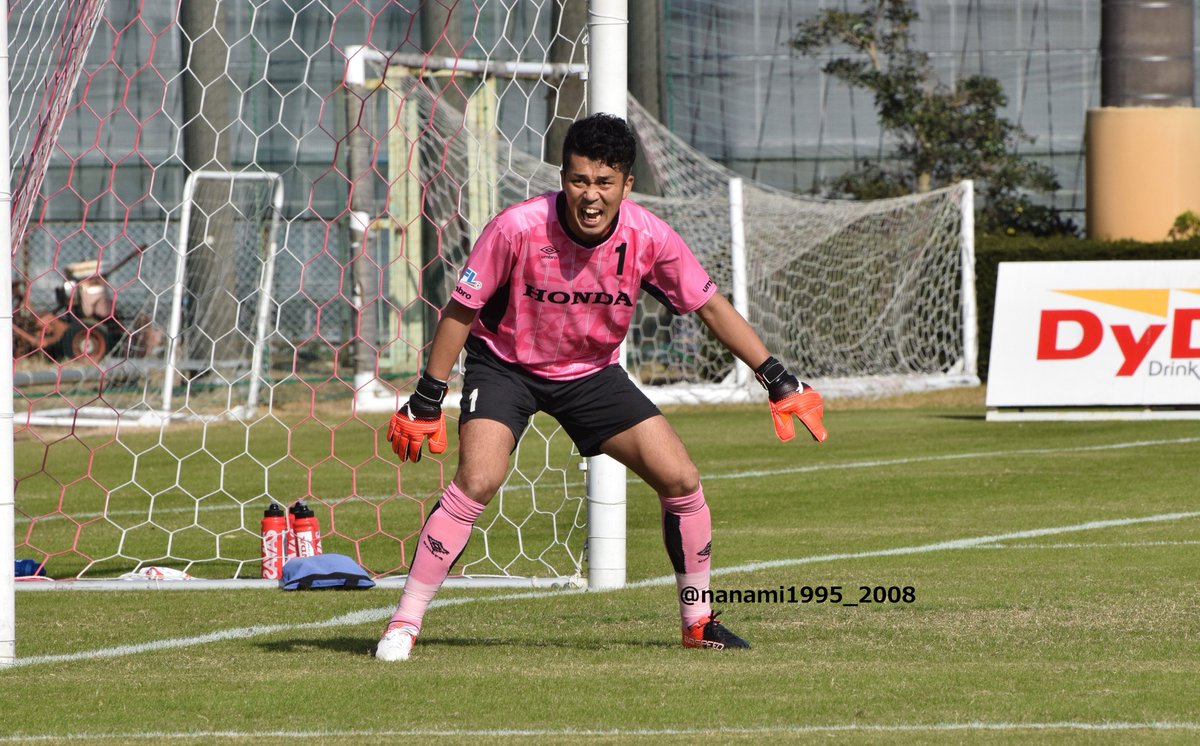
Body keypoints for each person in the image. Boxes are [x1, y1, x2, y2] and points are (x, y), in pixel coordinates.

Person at [377, 113, 826, 662]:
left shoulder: (648, 235)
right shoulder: (516, 227)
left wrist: (775, 376)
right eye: (578, 180)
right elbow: (461, 309)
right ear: (562, 177)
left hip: (591, 375)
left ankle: (699, 623)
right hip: (505, 367)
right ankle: (403, 623)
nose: (590, 196)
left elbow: (709, 305)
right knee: (479, 478)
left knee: (681, 479)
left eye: (604, 182)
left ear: (627, 185)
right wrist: (428, 394)